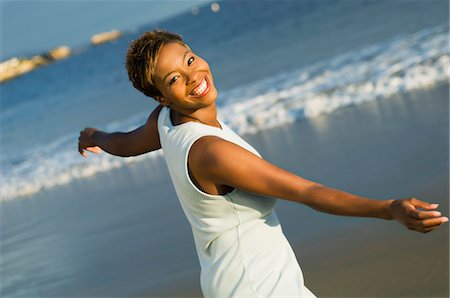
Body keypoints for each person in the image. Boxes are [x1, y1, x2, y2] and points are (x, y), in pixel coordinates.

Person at [78, 30, 448, 297]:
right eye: (175, 78)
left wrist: (94, 136)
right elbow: (307, 192)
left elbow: (124, 144)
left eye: (190, 60)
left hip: (233, 280)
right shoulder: (211, 152)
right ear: (161, 95)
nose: (194, 77)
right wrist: (389, 209)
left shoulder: (165, 121)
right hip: (256, 286)